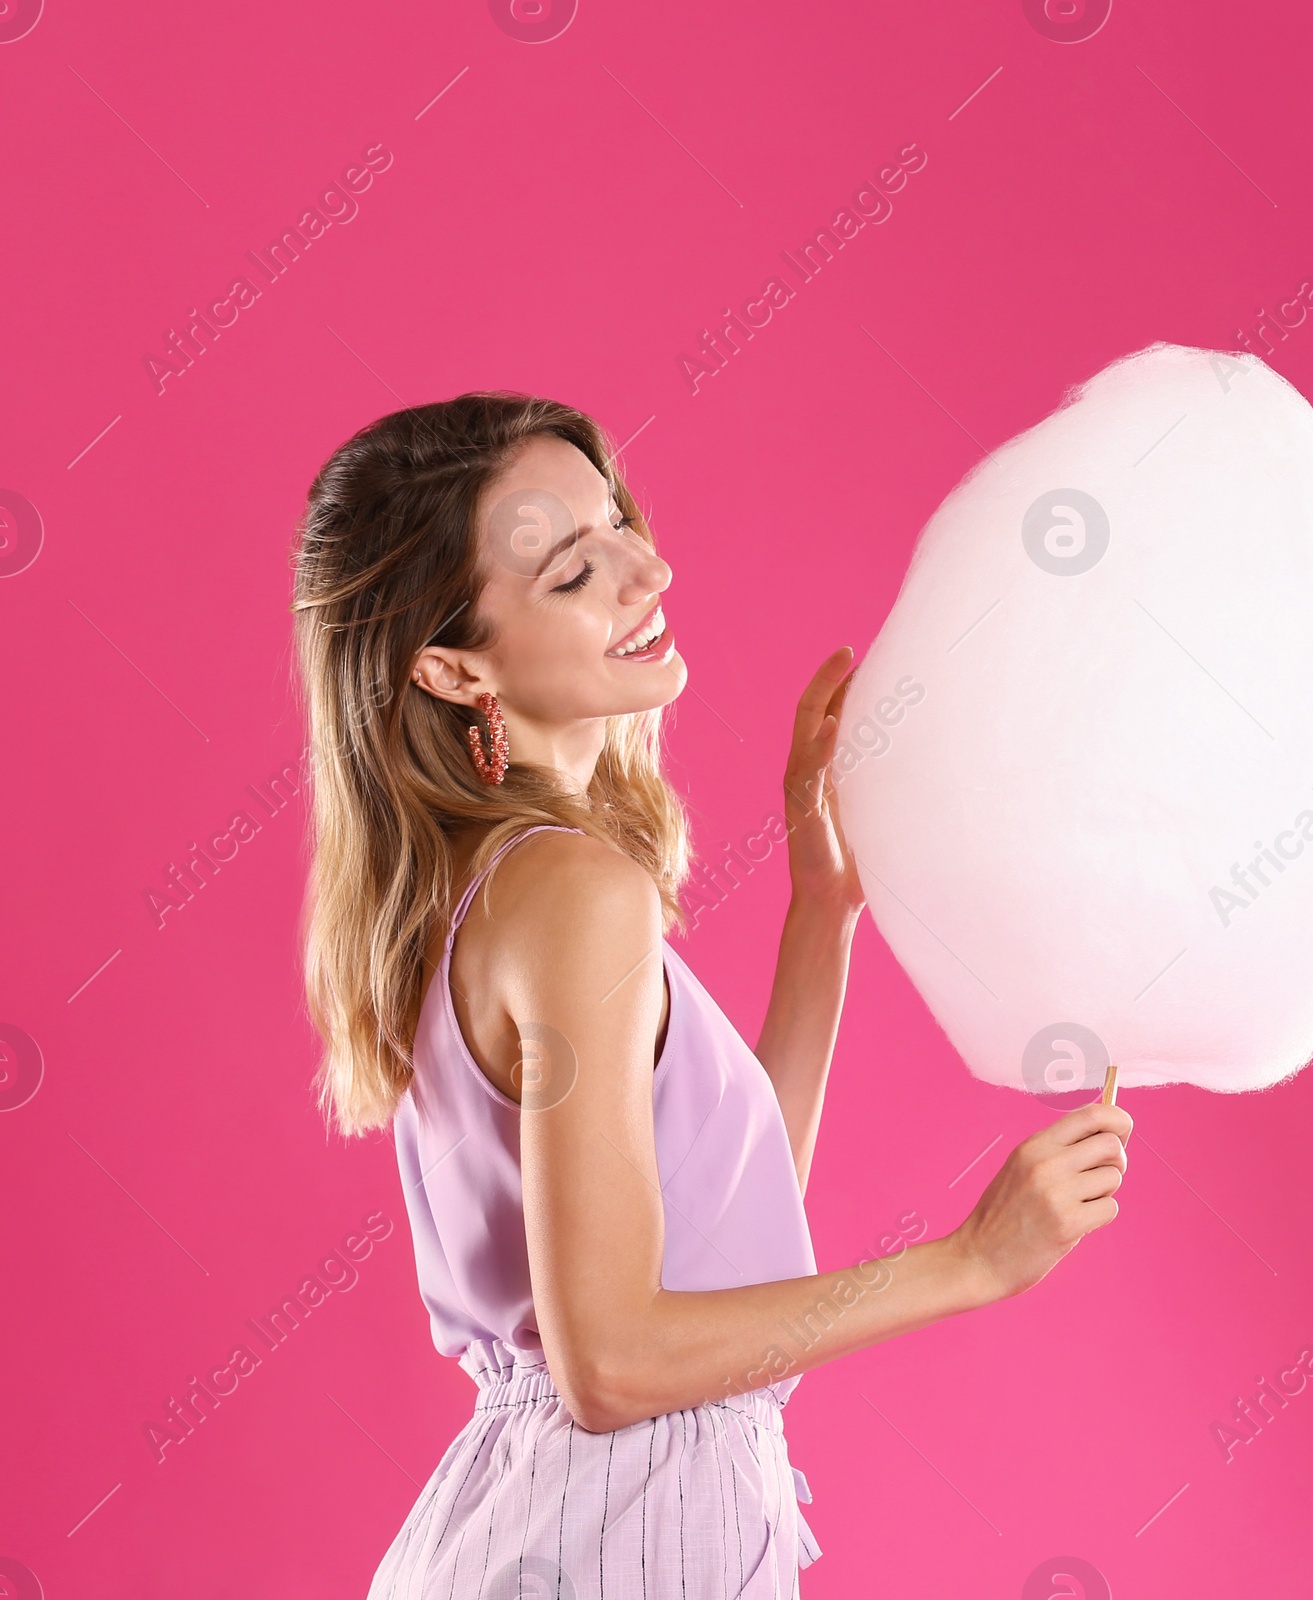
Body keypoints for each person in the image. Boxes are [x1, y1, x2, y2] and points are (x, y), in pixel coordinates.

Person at [290, 392, 1133, 1598]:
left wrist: (818, 913)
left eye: (620, 521)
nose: (649, 568)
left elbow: (712, 1245)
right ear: (451, 663)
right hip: (609, 1537)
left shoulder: (490, 884)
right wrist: (972, 1261)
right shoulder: (572, 892)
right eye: (578, 568)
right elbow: (616, 1364)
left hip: (569, 1526)